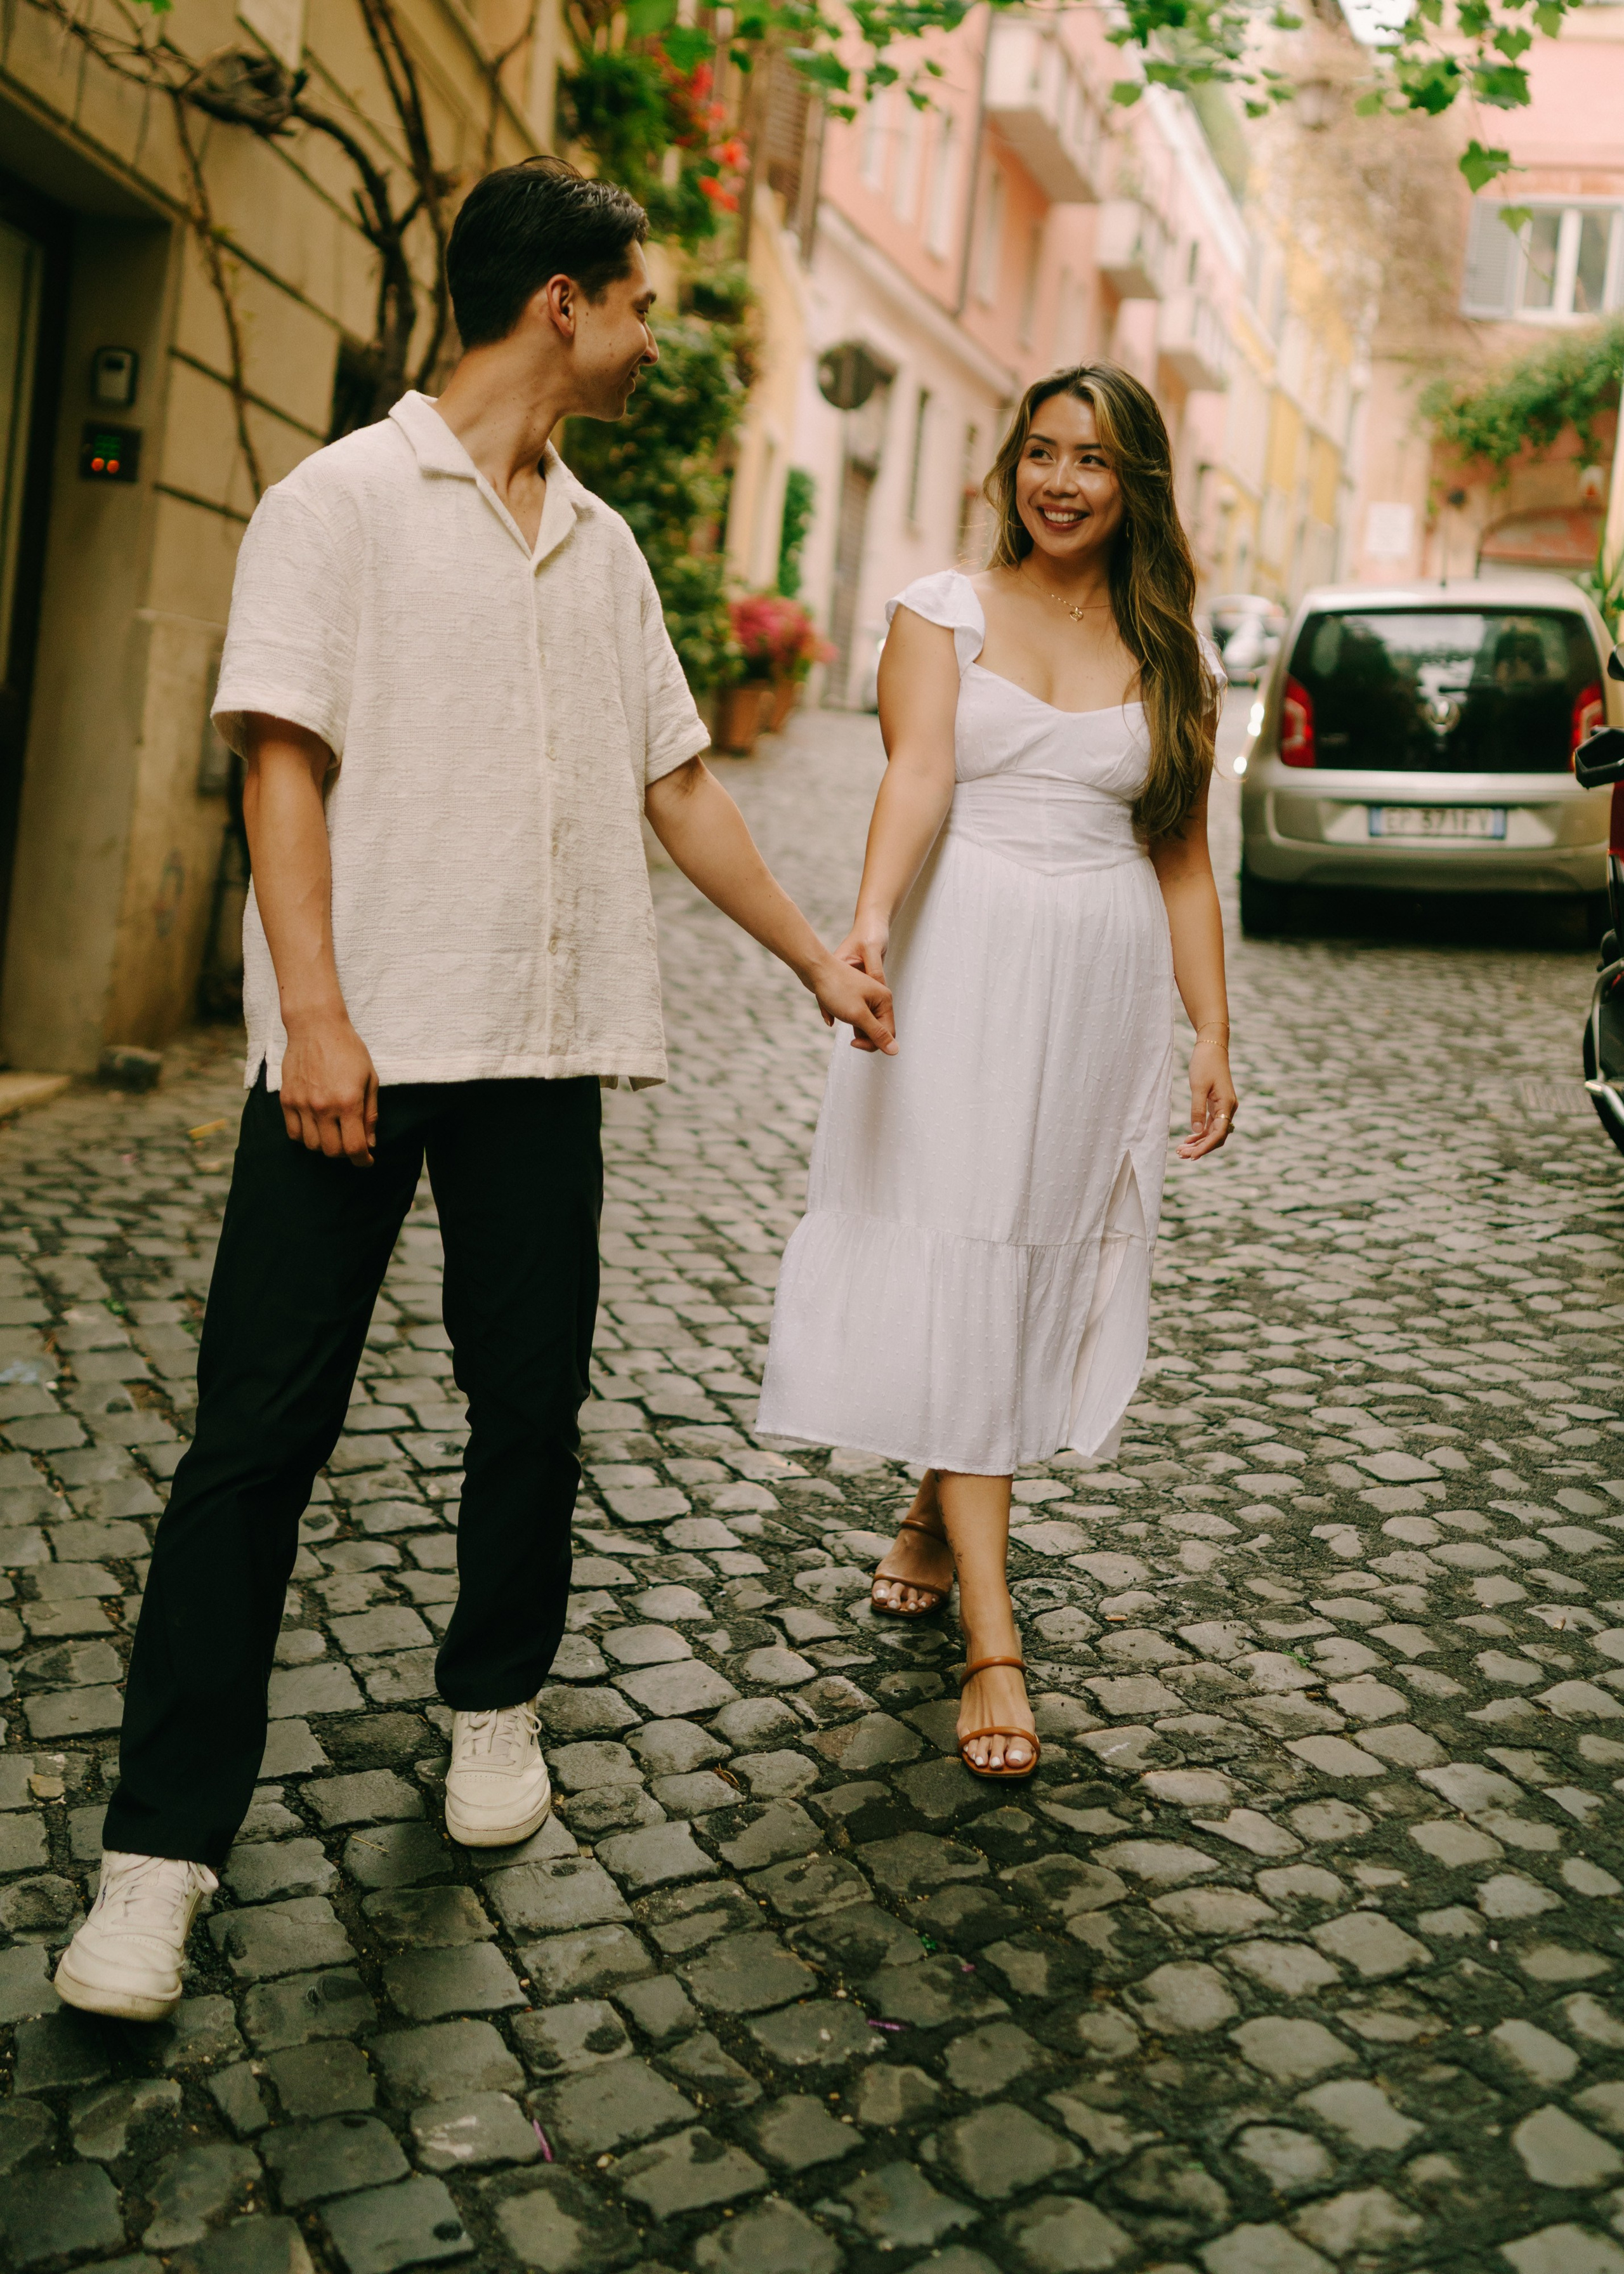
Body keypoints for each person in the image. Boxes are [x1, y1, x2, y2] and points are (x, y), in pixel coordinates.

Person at [54, 157, 893, 2023]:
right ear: (561, 305)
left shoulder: (598, 549)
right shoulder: (338, 501)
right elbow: (283, 764)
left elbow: (677, 785)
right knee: (253, 1444)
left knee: (533, 1411)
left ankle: (491, 1704)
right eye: (645, 302)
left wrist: (816, 957)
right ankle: (156, 1858)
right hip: (357, 1054)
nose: (661, 335)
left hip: (542, 1056)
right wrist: (321, 1016)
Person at [756, 364, 1236, 1780]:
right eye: (1039, 453)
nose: (1060, 481)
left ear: (1133, 481)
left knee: (1021, 1251)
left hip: (1095, 984)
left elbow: (1179, 857)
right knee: (964, 1242)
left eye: (1090, 459)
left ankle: (928, 1509)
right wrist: (866, 919)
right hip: (964, 961)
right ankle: (990, 1633)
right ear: (1010, 467)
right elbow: (915, 775)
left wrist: (1208, 1029)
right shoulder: (939, 610)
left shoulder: (1170, 656)